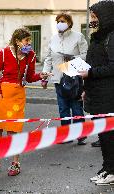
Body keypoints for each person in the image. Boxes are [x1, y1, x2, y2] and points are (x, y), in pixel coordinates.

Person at [0, 28, 49, 176]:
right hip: (2, 93)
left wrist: (41, 75)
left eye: (29, 41)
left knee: (13, 129)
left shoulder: (30, 55)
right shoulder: (5, 52)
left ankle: (15, 163)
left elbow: (30, 77)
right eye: (26, 41)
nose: (29, 44)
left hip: (18, 94)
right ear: (17, 41)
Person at [79, 0, 114, 185]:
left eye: (95, 17)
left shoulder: (112, 37)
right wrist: (86, 89)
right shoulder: (97, 37)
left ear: (105, 17)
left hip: (108, 96)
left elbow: (111, 67)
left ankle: (112, 171)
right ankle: (107, 167)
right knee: (102, 134)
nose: (92, 20)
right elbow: (93, 63)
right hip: (96, 94)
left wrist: (90, 73)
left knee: (109, 136)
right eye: (91, 16)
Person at [42, 13, 88, 145]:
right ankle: (66, 135)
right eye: (58, 21)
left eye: (62, 21)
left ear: (69, 23)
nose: (59, 23)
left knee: (76, 107)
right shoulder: (53, 38)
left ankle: (80, 135)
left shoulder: (78, 36)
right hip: (58, 78)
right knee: (63, 108)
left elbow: (86, 54)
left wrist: (73, 58)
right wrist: (45, 76)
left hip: (74, 78)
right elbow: (49, 58)